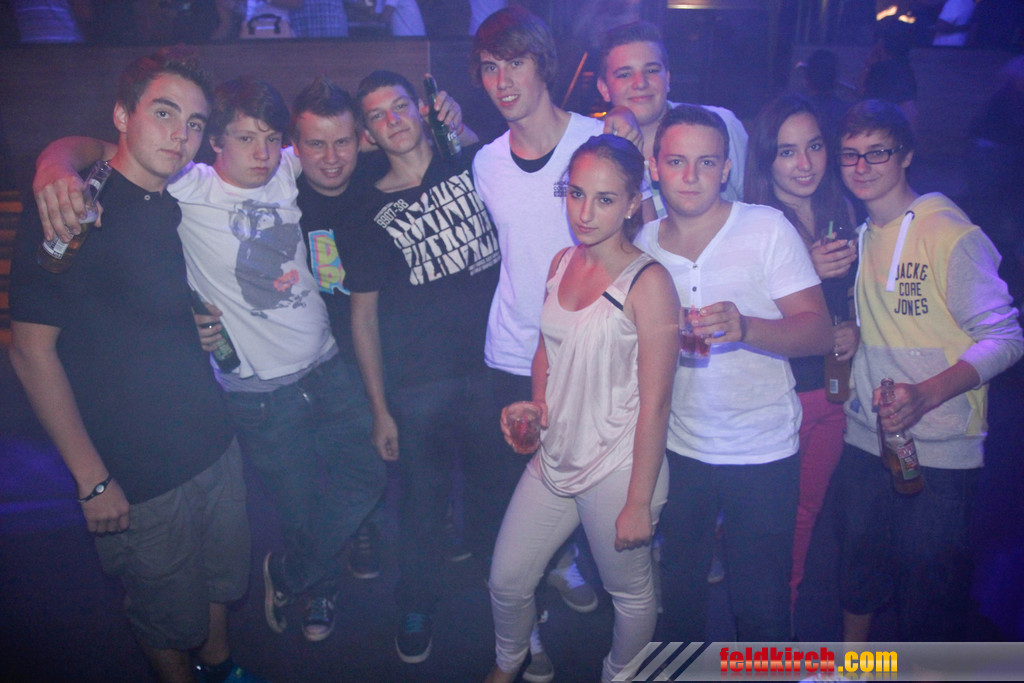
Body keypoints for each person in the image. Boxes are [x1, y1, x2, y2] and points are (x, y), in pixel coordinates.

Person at [31, 77, 389, 645]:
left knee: (368, 474)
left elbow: (361, 140)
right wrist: (53, 164)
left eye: (270, 138)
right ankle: (320, 585)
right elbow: (101, 148)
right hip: (261, 398)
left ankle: (290, 572)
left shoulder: (289, 167)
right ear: (215, 143)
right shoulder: (189, 185)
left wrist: (447, 124)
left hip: (327, 368)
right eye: (245, 139)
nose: (261, 153)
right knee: (298, 508)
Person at [10, 47, 263, 683]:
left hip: (212, 439)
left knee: (221, 582)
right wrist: (91, 479)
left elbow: (135, 302)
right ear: (124, 115)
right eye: (164, 113)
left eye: (194, 123)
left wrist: (190, 322)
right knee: (163, 617)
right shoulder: (73, 208)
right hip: (139, 470)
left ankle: (222, 667)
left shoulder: (171, 201)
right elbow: (31, 352)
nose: (180, 135)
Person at [470, 8, 641, 678]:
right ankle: (529, 631)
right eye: (490, 67)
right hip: (514, 352)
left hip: (594, 355)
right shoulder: (486, 163)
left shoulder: (600, 140)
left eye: (515, 62)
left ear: (543, 64)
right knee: (512, 500)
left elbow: (645, 239)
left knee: (592, 491)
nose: (503, 80)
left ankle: (567, 560)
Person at [634, 104, 832, 642]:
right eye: (677, 161)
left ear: (726, 168)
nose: (690, 176)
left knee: (762, 608)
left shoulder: (765, 228)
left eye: (706, 162)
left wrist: (746, 328)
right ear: (655, 167)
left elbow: (818, 332)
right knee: (678, 601)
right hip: (678, 449)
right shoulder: (643, 245)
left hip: (761, 450)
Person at [485, 134, 678, 683]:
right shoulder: (562, 261)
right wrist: (536, 404)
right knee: (506, 580)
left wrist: (638, 501)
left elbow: (657, 405)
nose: (585, 213)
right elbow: (547, 349)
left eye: (604, 199)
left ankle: (619, 674)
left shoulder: (649, 283)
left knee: (629, 593)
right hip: (556, 453)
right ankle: (508, 663)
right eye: (576, 194)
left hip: (620, 465)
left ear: (633, 202)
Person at [835, 99, 1023, 641]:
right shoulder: (860, 234)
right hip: (866, 436)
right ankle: (852, 671)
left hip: (940, 447)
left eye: (878, 152)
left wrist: (927, 393)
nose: (862, 166)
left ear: (907, 156)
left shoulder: (949, 235)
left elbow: (1007, 338)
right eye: (851, 154)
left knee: (929, 593)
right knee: (858, 572)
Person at [344, 69, 500, 664]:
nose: (393, 120)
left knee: (497, 492)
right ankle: (416, 600)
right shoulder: (367, 209)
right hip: (419, 385)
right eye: (378, 115)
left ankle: (510, 596)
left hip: (492, 369)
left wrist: (466, 126)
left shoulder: (471, 164)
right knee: (421, 506)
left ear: (421, 108)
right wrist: (379, 409)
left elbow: (517, 167)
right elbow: (363, 317)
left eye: (400, 106)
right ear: (368, 134)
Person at [744, 94, 859, 608]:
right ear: (767, 159)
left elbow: (852, 298)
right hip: (781, 394)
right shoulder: (756, 223)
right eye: (787, 151)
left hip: (833, 389)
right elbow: (745, 316)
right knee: (770, 514)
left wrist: (853, 327)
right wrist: (804, 270)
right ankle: (766, 615)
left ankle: (783, 605)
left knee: (807, 509)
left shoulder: (841, 211)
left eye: (814, 146)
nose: (805, 163)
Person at [290, 76, 389, 579]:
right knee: (335, 467)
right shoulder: (277, 191)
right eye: (316, 144)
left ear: (361, 140)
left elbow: (460, 151)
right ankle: (352, 538)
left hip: (387, 340)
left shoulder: (380, 172)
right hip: (319, 359)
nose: (331, 158)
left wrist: (455, 119)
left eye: (343, 142)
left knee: (391, 452)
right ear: (295, 146)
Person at [595, 20, 749, 216]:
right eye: (625, 74)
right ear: (604, 89)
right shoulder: (595, 150)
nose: (640, 83)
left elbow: (759, 199)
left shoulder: (719, 125)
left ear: (667, 79)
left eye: (651, 70)